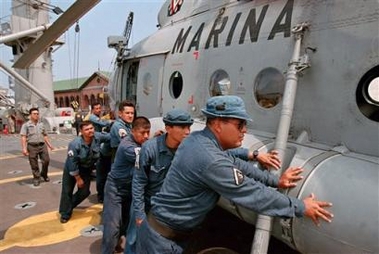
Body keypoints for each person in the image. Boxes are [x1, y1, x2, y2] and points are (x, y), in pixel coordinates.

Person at [136, 95, 334, 253]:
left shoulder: (197, 140)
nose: (244, 130)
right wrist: (299, 206)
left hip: (161, 234)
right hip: (161, 243)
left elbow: (235, 162)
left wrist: (275, 181)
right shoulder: (210, 159)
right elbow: (252, 193)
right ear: (218, 124)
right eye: (240, 124)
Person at [128, 109, 194, 253]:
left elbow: (213, 153)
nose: (187, 131)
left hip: (165, 207)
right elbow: (138, 182)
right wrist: (139, 213)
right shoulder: (150, 148)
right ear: (168, 128)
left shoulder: (187, 148)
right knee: (134, 238)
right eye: (182, 127)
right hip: (145, 203)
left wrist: (249, 154)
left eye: (189, 127)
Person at [101, 116, 151, 254]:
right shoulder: (127, 145)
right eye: (142, 133)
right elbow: (148, 157)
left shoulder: (141, 143)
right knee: (112, 227)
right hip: (115, 189)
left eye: (148, 132)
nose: (146, 136)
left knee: (125, 224)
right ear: (133, 131)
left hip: (130, 190)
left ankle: (116, 246)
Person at [58, 121, 110, 223]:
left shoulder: (98, 137)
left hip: (86, 169)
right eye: (87, 129)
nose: (90, 131)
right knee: (67, 191)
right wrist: (78, 178)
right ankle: (65, 214)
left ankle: (67, 206)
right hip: (72, 169)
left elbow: (111, 137)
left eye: (91, 128)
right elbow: (72, 162)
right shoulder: (75, 144)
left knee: (84, 192)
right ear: (81, 131)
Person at [20, 108, 54, 186]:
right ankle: (36, 178)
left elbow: (45, 135)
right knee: (34, 163)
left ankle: (44, 174)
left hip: (42, 145)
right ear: (30, 115)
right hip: (32, 146)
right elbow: (23, 137)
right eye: (34, 114)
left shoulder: (41, 124)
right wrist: (24, 148)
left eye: (37, 114)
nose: (36, 115)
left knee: (46, 161)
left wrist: (49, 145)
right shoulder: (26, 125)